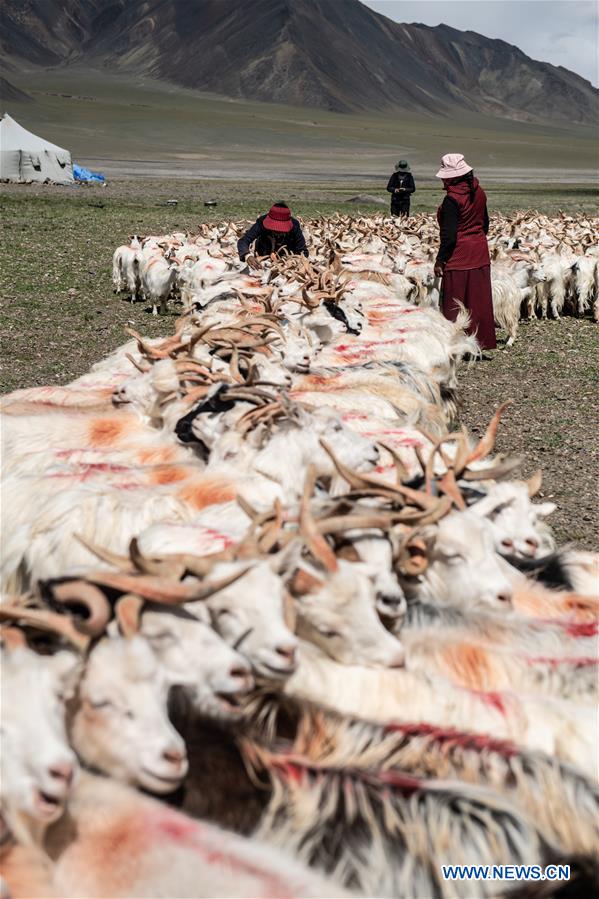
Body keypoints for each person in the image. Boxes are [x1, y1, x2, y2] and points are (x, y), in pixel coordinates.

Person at [433, 153, 496, 351]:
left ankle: (455, 344)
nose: (443, 179)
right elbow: (485, 223)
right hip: (479, 250)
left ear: (452, 177)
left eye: (445, 176)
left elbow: (449, 235)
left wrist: (440, 260)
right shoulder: (480, 192)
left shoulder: (452, 199)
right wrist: (476, 240)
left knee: (454, 300)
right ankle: (480, 341)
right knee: (478, 298)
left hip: (459, 254)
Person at [237, 202, 308, 263]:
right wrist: (247, 256)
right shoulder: (261, 222)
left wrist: (293, 261)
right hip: (263, 256)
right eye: (275, 229)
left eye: (281, 229)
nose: (278, 231)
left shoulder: (294, 226)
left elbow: (303, 251)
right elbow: (244, 241)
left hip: (287, 259)